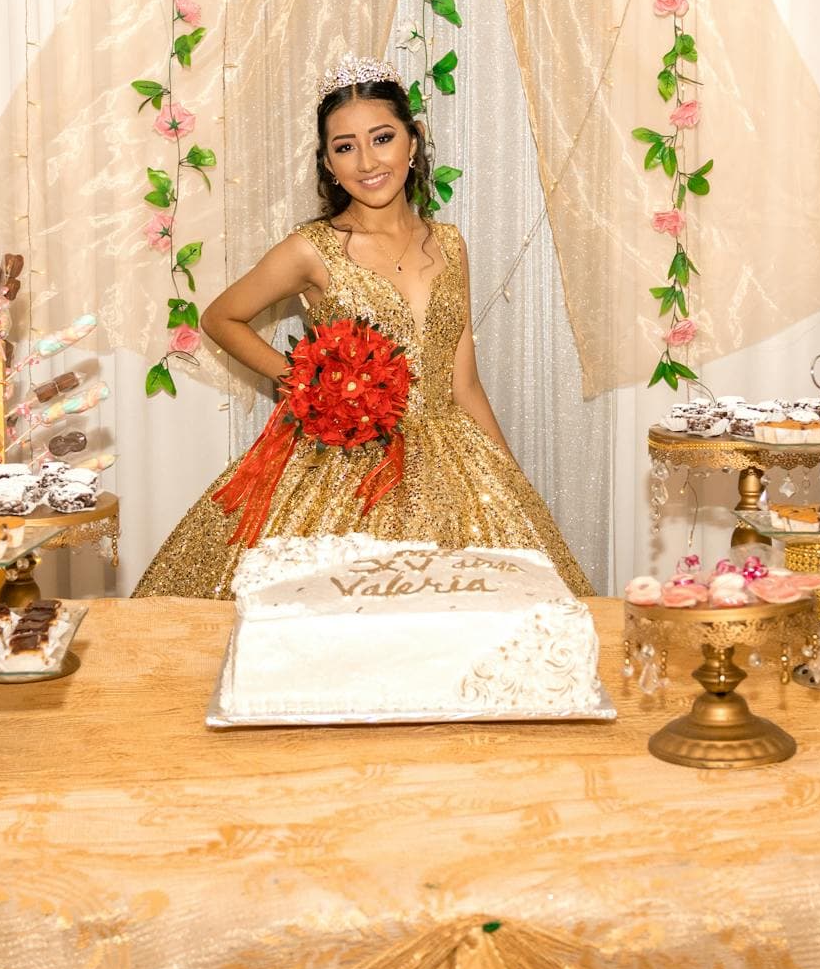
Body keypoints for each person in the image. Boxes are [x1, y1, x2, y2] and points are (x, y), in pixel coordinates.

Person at [133, 54, 592, 599]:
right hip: (346, 467)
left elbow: (463, 382)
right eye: (345, 147)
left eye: (382, 138)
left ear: (413, 142)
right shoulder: (313, 248)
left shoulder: (449, 245)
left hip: (455, 464)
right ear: (328, 162)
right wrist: (308, 385)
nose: (367, 161)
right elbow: (219, 317)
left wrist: (513, 483)